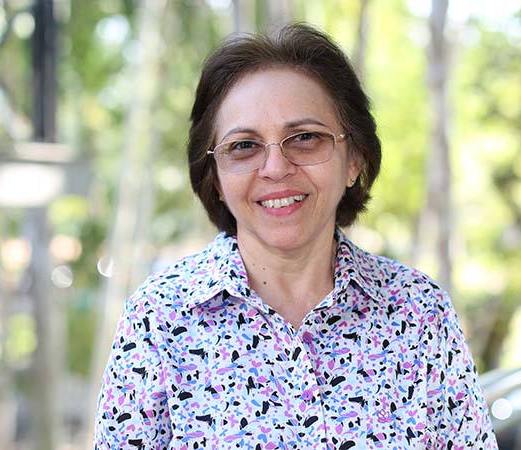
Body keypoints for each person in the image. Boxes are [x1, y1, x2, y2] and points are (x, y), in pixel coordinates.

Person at [95, 23, 497, 450]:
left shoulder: (419, 314)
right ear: (214, 176)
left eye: (305, 138)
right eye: (243, 146)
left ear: (354, 159)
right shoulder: (158, 321)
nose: (275, 168)